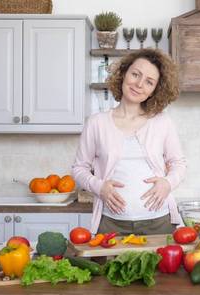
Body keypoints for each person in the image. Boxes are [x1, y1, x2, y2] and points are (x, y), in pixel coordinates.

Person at [72, 48, 186, 235]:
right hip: (110, 223)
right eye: (135, 74)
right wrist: (99, 187)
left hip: (159, 222)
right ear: (124, 73)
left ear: (154, 91)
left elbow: (179, 164)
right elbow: (79, 168)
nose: (139, 84)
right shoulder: (96, 122)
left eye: (149, 82)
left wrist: (167, 183)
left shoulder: (162, 121)